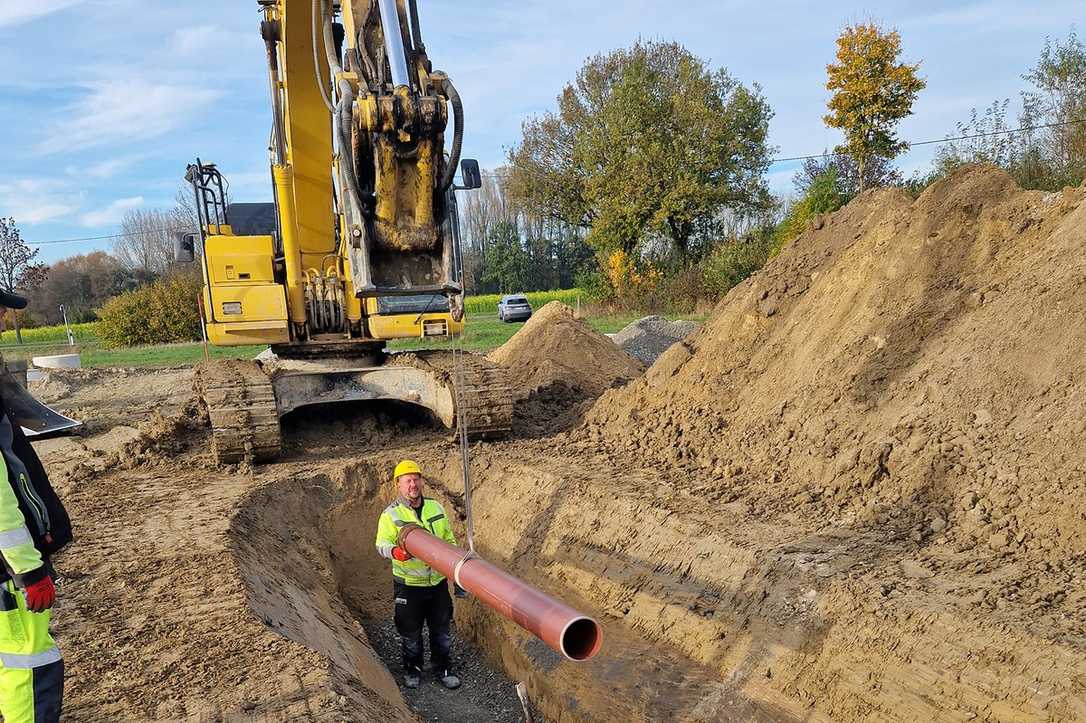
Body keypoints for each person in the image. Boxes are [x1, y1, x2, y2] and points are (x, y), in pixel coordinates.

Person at [0, 289, 72, 723]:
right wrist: (28, 569)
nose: (6, 316)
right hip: (7, 569)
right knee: (26, 660)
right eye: (0, 309)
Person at [375, 460, 461, 690]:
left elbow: (449, 541)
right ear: (399, 485)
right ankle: (412, 669)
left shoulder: (436, 508)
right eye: (408, 480)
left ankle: (443, 668)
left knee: (441, 629)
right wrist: (395, 552)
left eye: (416, 479)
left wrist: (456, 570)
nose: (413, 484)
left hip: (437, 582)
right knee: (410, 632)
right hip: (410, 585)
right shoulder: (390, 514)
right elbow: (381, 544)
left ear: (421, 481)